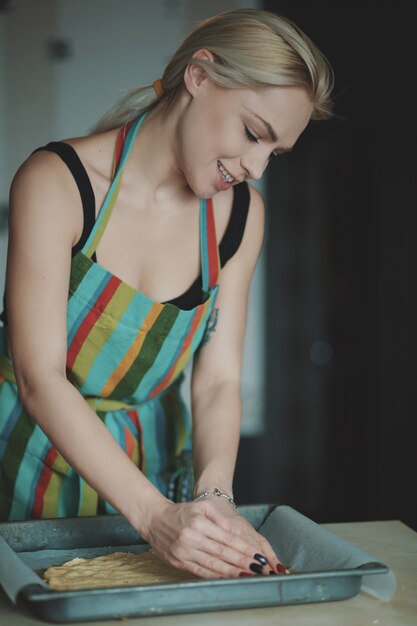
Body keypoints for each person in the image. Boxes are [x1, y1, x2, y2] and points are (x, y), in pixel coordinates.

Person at [0, 8, 333, 578]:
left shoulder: (241, 219)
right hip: (28, 466)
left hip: (158, 467)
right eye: (253, 133)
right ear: (199, 76)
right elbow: (39, 376)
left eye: (273, 154)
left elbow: (220, 379)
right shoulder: (58, 183)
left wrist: (214, 500)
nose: (254, 167)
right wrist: (154, 518)